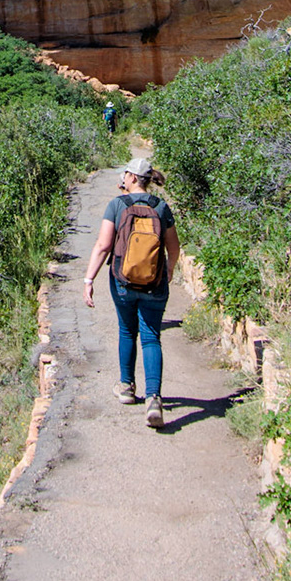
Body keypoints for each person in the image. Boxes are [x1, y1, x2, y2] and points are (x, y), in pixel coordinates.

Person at [83, 157, 182, 428]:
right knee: (151, 336)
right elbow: (173, 247)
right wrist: (169, 270)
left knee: (127, 331)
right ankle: (153, 399)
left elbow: (103, 245)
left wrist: (88, 278)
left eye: (125, 173)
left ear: (131, 177)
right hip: (154, 281)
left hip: (122, 281)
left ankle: (126, 387)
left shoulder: (117, 205)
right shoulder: (161, 207)